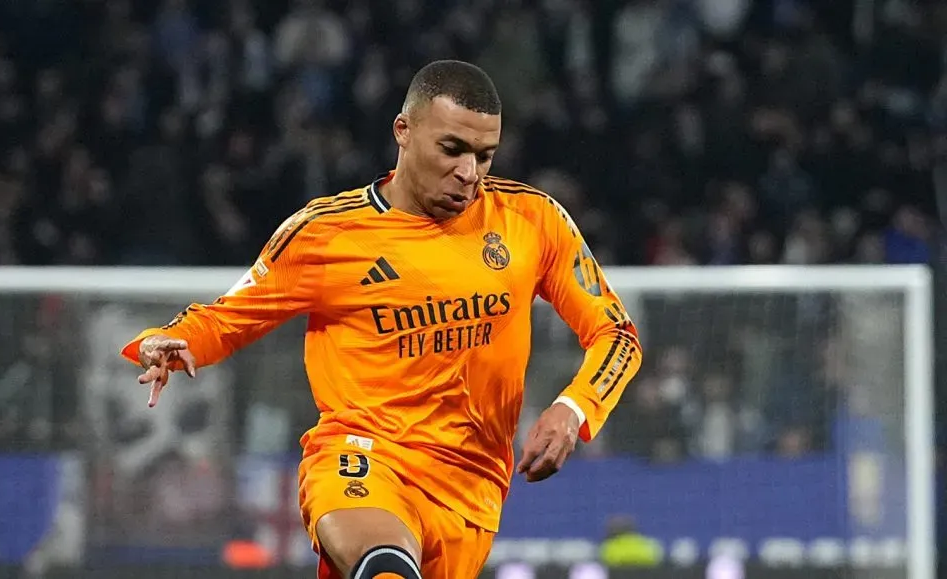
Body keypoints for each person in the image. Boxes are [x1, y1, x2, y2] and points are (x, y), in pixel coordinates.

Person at [120, 60, 643, 579]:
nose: (469, 173)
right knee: (387, 566)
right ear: (404, 130)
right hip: (362, 456)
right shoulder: (327, 233)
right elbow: (227, 317)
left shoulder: (533, 221)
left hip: (472, 487)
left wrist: (573, 410)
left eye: (485, 156)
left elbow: (617, 335)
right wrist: (171, 338)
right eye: (452, 149)